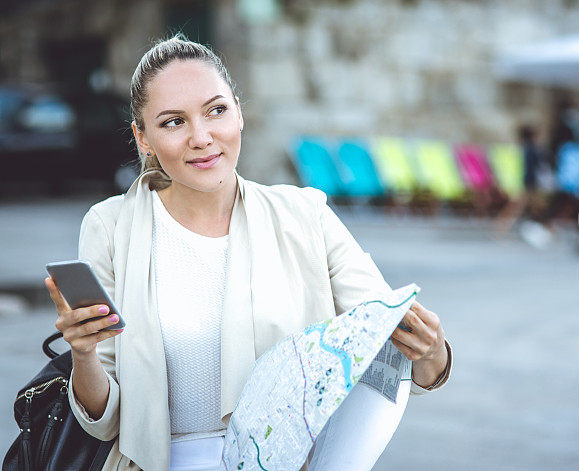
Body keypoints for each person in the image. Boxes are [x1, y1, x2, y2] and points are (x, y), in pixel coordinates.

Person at [44, 35, 453, 471]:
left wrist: (430, 351)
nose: (201, 138)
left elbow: (393, 343)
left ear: (238, 112)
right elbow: (102, 421)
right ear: (142, 138)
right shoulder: (109, 227)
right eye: (172, 122)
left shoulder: (305, 214)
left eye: (215, 110)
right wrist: (83, 353)